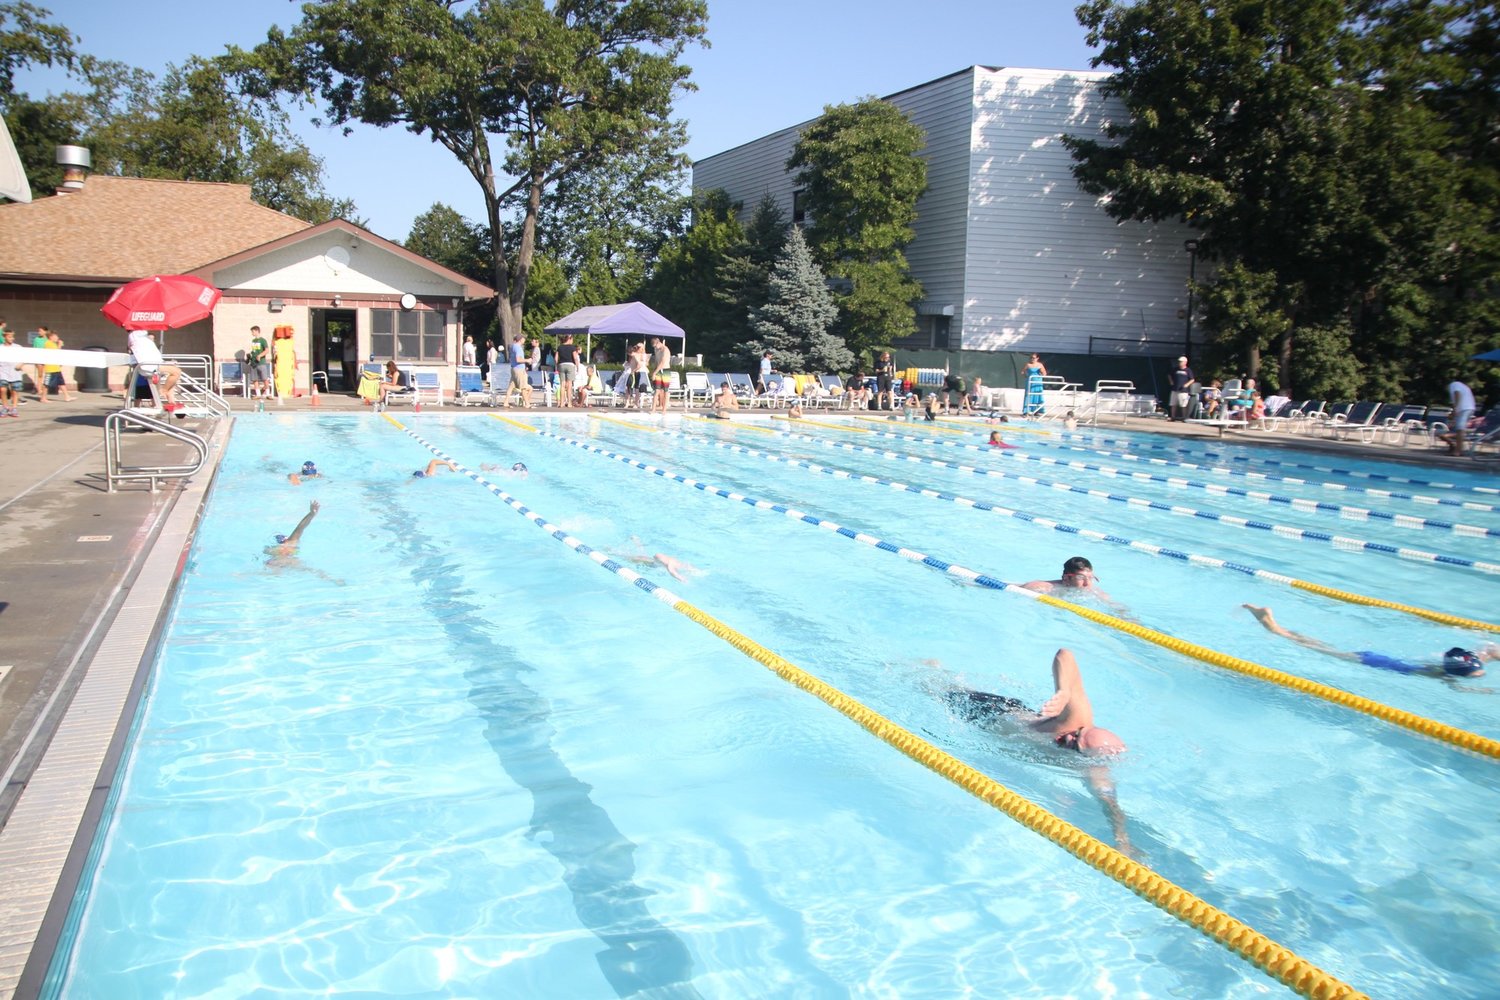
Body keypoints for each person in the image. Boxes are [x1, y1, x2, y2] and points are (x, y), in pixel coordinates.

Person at [945, 649, 1130, 850]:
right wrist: (1064, 691)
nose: (1068, 737)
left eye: (1074, 745)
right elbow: (1065, 655)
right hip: (992, 712)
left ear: (1086, 758)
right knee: (938, 689)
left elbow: (1110, 803)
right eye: (1076, 734)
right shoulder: (1076, 720)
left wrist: (1122, 840)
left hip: (998, 729)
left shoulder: (1094, 770)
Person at [1243, 605, 1495, 687]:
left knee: (1318, 644)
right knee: (1314, 647)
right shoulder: (1439, 673)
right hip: (1370, 660)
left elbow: (1483, 655)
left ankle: (1278, 626)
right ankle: (1272, 625)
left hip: (1375, 656)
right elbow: (1464, 682)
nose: (1478, 673)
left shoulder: (1447, 667)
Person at [1022, 556, 1127, 613]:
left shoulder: (1096, 593)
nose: (1087, 583)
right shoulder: (1041, 587)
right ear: (1066, 578)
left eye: (1090, 578)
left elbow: (1118, 608)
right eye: (1081, 578)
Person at [127, 328, 183, 409]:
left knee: (173, 378)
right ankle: (164, 391)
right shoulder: (136, 335)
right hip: (151, 366)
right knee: (176, 372)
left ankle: (170, 399)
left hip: (154, 364)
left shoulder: (137, 337)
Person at [1444, 375, 1476, 456]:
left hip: (1465, 408)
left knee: (1460, 430)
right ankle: (1458, 449)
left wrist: (1455, 408)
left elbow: (1457, 394)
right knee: (1459, 429)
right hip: (1468, 408)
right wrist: (1453, 413)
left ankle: (1458, 451)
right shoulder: (1463, 386)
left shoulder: (1454, 384)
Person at [41, 328, 73, 401]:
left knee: (61, 382)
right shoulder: (48, 344)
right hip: (50, 368)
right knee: (47, 383)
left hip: (56, 367)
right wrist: (60, 345)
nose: (57, 338)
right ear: (51, 337)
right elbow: (55, 354)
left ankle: (67, 396)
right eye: (56, 336)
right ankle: (43, 398)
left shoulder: (53, 344)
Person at [0, 325, 22, 417]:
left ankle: (14, 408)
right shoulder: (1, 347)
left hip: (15, 372)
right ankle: (5, 407)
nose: (11, 338)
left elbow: (26, 357)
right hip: (3, 371)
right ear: (4, 337)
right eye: (9, 337)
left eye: (12, 336)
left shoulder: (18, 347)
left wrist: (20, 364)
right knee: (2, 389)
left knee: (14, 391)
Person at [503, 336, 530, 407]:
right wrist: (527, 360)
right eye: (524, 339)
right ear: (521, 340)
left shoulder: (512, 347)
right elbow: (518, 359)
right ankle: (527, 404)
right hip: (519, 369)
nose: (524, 340)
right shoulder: (518, 348)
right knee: (523, 387)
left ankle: (506, 402)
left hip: (514, 368)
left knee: (511, 387)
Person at [555, 333, 579, 409]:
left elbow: (556, 358)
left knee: (562, 384)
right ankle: (569, 403)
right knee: (569, 385)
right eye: (572, 339)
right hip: (570, 365)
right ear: (569, 338)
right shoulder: (572, 347)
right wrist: (577, 366)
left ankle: (562, 403)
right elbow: (575, 358)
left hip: (561, 365)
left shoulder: (560, 347)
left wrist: (557, 366)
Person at [649, 336, 672, 414]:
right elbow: (657, 361)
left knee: (666, 391)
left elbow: (662, 363)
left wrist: (654, 373)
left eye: (655, 346)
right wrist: (654, 371)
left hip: (665, 371)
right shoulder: (656, 349)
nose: (655, 347)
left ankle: (664, 410)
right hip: (658, 370)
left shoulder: (665, 350)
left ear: (658, 342)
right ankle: (653, 409)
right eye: (654, 346)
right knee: (656, 390)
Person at [1168, 356, 1195, 421]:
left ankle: (1184, 417)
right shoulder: (1175, 369)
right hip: (1175, 389)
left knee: (1183, 404)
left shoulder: (1188, 370)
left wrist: (1186, 385)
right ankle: (1173, 417)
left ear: (1185, 362)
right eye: (1179, 361)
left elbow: (1192, 379)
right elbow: (1169, 375)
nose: (1180, 363)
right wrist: (1171, 381)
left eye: (1181, 361)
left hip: (1183, 391)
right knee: (1173, 404)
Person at [247, 326, 271, 398]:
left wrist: (260, 355)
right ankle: (258, 394)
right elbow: (254, 351)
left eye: (253, 331)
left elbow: (267, 350)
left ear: (257, 331)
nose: (252, 333)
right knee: (255, 379)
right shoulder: (253, 341)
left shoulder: (263, 340)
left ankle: (268, 393)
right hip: (253, 362)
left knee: (264, 378)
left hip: (261, 362)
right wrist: (249, 356)